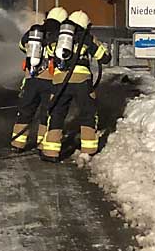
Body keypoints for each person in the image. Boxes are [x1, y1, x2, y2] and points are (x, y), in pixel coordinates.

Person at [40, 10, 109, 161]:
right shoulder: (86, 37)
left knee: (57, 113)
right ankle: (89, 149)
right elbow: (104, 58)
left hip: (60, 80)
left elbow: (49, 54)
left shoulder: (57, 36)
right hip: (82, 81)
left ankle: (51, 151)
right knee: (88, 113)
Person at [10, 6, 68, 150]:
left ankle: (17, 143)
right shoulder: (61, 34)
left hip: (32, 78)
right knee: (46, 113)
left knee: (25, 110)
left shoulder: (35, 31)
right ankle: (42, 144)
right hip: (51, 80)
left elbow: (22, 46)